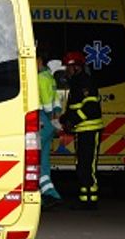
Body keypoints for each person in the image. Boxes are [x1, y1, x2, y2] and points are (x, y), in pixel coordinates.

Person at [58, 50, 104, 210]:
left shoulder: (86, 82)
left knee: (88, 166)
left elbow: (90, 107)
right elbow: (74, 106)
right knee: (82, 165)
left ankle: (91, 200)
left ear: (77, 67)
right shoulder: (77, 82)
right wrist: (65, 119)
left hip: (91, 130)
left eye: (68, 67)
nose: (66, 70)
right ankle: (85, 199)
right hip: (82, 130)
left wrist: (72, 120)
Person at [36, 53, 63, 208]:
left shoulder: (40, 78)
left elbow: (46, 103)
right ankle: (51, 194)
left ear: (39, 61)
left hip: (42, 121)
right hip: (49, 124)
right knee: (43, 161)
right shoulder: (50, 77)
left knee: (35, 160)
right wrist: (55, 118)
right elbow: (56, 101)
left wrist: (49, 116)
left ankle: (47, 194)